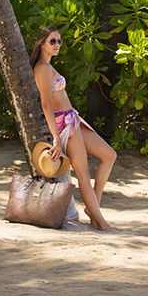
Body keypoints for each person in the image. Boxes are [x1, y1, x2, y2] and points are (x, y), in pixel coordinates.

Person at [29, 26, 118, 232]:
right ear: (42, 43)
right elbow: (46, 104)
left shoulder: (49, 67)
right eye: (52, 41)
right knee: (83, 173)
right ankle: (102, 223)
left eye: (59, 41)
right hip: (64, 124)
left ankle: (93, 209)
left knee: (109, 155)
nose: (57, 45)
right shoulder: (42, 68)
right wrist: (56, 139)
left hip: (74, 119)